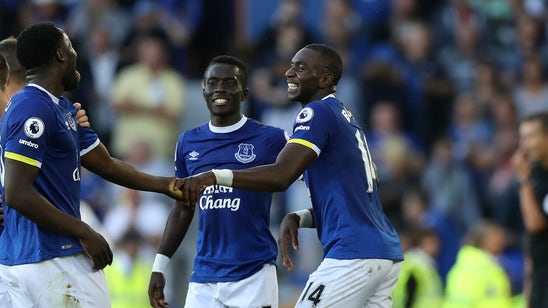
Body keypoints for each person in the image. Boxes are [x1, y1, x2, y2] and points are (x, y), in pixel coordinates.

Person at [177, 43, 403, 307]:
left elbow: (282, 175)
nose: (289, 73)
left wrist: (215, 176)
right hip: (385, 254)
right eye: (291, 66)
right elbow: (352, 202)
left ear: (325, 79)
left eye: (301, 67)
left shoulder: (316, 112)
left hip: (353, 254)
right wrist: (301, 216)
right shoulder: (346, 119)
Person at [0, 22, 183, 307]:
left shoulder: (62, 109)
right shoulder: (31, 107)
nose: (76, 54)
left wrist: (166, 185)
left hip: (38, 259)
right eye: (71, 47)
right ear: (60, 54)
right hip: (52, 257)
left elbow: (106, 164)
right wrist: (84, 231)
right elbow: (17, 192)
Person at [148, 55, 287, 308]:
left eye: (229, 83)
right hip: (204, 277)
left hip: (253, 273)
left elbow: (305, 171)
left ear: (244, 93)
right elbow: (182, 207)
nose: (220, 89)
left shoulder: (271, 139)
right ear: (203, 90)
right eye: (212, 83)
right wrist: (159, 266)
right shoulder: (187, 142)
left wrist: (301, 215)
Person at [511, 111, 548, 307]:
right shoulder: (535, 173)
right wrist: (529, 283)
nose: (523, 145)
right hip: (540, 278)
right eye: (521, 137)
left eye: (530, 137)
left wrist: (523, 180)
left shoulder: (527, 177)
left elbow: (536, 224)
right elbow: (533, 237)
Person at [443, 220, 512, 308]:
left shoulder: (494, 266)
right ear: (481, 239)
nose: (501, 240)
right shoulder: (469, 268)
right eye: (494, 236)